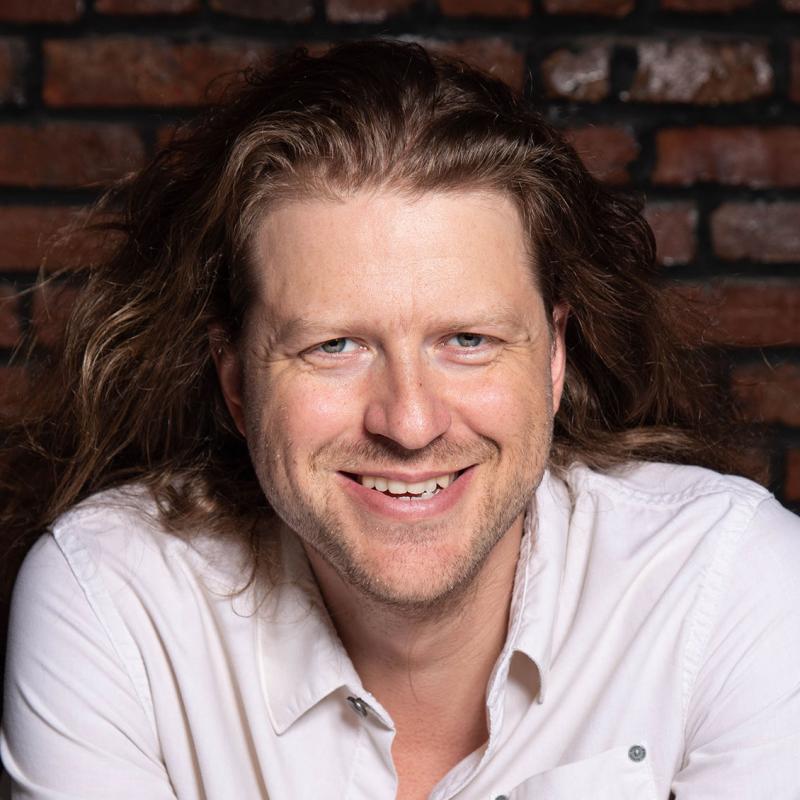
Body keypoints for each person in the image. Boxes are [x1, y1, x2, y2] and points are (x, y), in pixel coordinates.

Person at [1, 39, 798, 800]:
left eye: (468, 340)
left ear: (554, 357)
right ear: (236, 380)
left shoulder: (729, 584)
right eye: (334, 346)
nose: (411, 423)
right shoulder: (113, 601)